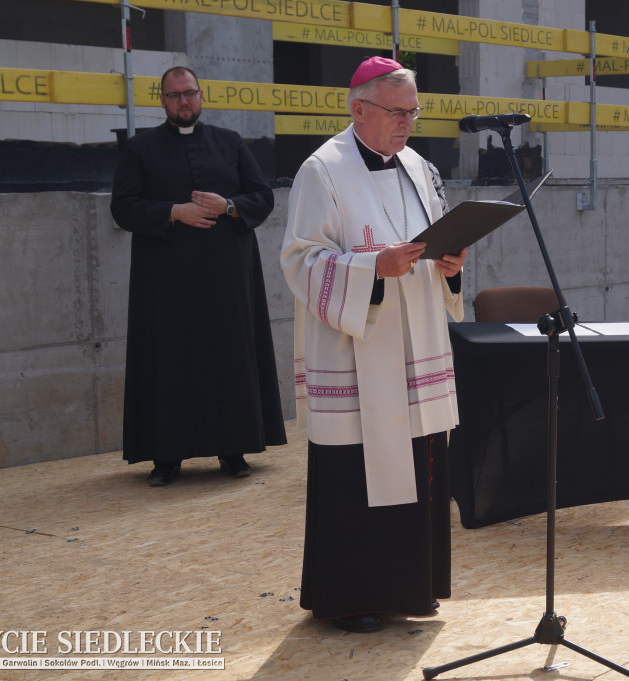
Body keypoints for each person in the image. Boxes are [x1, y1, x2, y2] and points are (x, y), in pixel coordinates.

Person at [280, 56, 466, 634]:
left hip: (415, 345)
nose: (408, 122)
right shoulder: (322, 170)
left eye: (413, 111)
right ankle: (350, 596)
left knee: (417, 462)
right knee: (355, 474)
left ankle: (412, 588)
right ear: (358, 108)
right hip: (357, 355)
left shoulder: (417, 166)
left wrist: (450, 264)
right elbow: (300, 260)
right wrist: (372, 267)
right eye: (397, 111)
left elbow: (436, 241)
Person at [111, 66, 286, 487]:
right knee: (169, 361)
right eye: (174, 96)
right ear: (162, 101)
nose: (183, 102)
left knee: (230, 357)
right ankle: (166, 458)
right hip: (165, 282)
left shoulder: (229, 143)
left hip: (228, 276)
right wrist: (174, 211)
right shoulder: (140, 149)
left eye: (189, 94)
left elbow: (262, 196)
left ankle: (234, 450)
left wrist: (228, 205)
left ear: (201, 95)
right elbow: (123, 207)